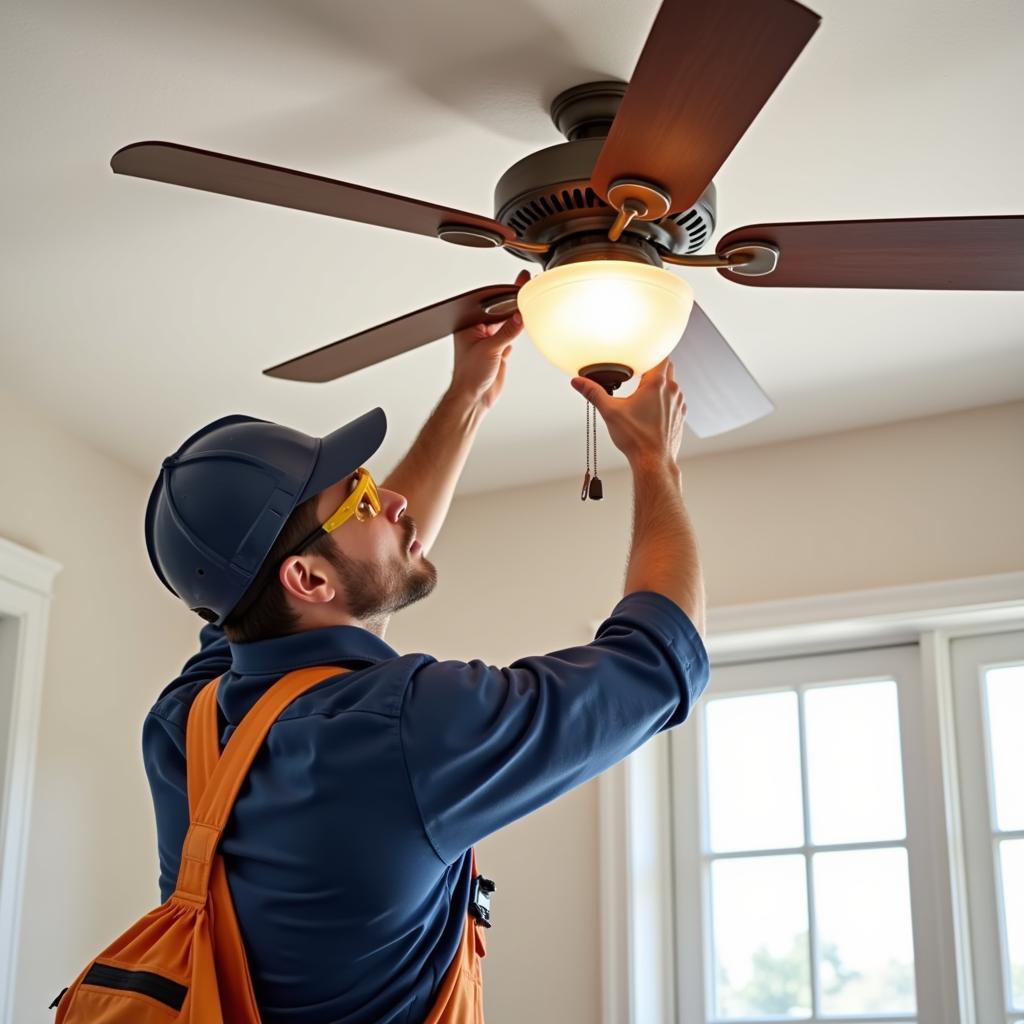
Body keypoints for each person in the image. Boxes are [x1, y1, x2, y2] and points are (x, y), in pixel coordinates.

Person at [142, 300, 708, 1024]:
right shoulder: (409, 729)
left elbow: (365, 576)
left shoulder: (184, 721)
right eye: (364, 499)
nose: (396, 503)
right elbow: (659, 662)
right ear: (306, 582)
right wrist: (657, 462)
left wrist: (467, 396)